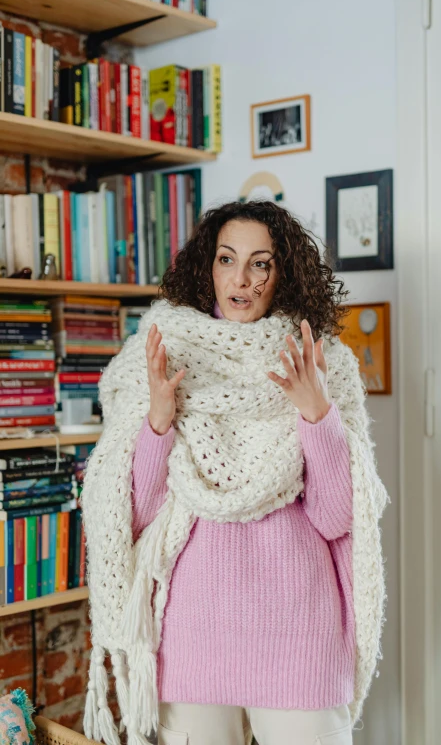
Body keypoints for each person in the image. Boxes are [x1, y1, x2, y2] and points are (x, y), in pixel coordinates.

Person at [81, 201, 389, 745]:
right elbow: (135, 514)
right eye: (227, 259)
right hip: (195, 634)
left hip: (300, 634)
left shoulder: (321, 360)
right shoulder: (163, 350)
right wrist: (158, 419)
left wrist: (316, 413)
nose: (241, 279)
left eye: (260, 263)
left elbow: (339, 517)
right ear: (208, 267)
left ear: (283, 274)